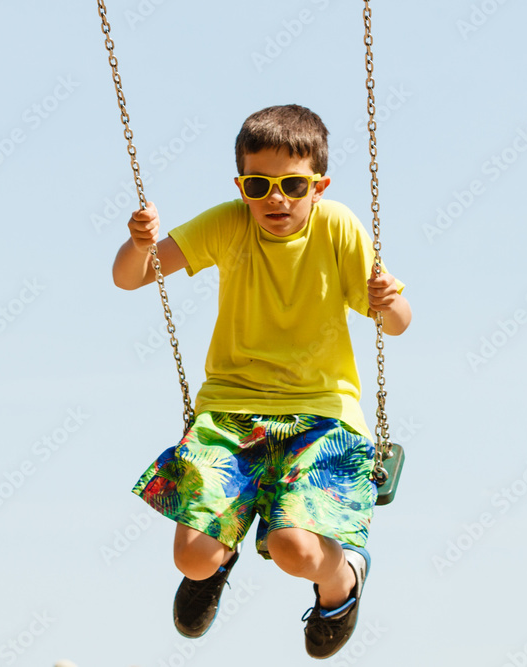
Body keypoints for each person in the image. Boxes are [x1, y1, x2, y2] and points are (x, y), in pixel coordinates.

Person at [112, 104, 411, 658]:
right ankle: (216, 563)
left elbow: (397, 322)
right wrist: (138, 243)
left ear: (318, 185)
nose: (276, 198)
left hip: (323, 415)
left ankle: (342, 582)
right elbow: (131, 278)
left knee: (292, 547)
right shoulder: (229, 222)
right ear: (241, 185)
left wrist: (388, 302)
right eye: (259, 184)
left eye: (292, 185)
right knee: (191, 557)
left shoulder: (339, 225)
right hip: (231, 412)